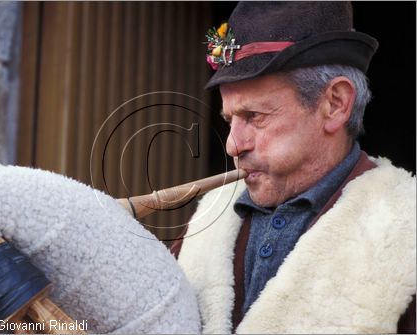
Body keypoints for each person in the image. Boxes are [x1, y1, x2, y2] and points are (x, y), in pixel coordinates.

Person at [171, 2, 416, 333]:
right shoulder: (208, 220)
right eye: (230, 120)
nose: (232, 144)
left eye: (254, 116)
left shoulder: (405, 228)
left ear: (335, 103)